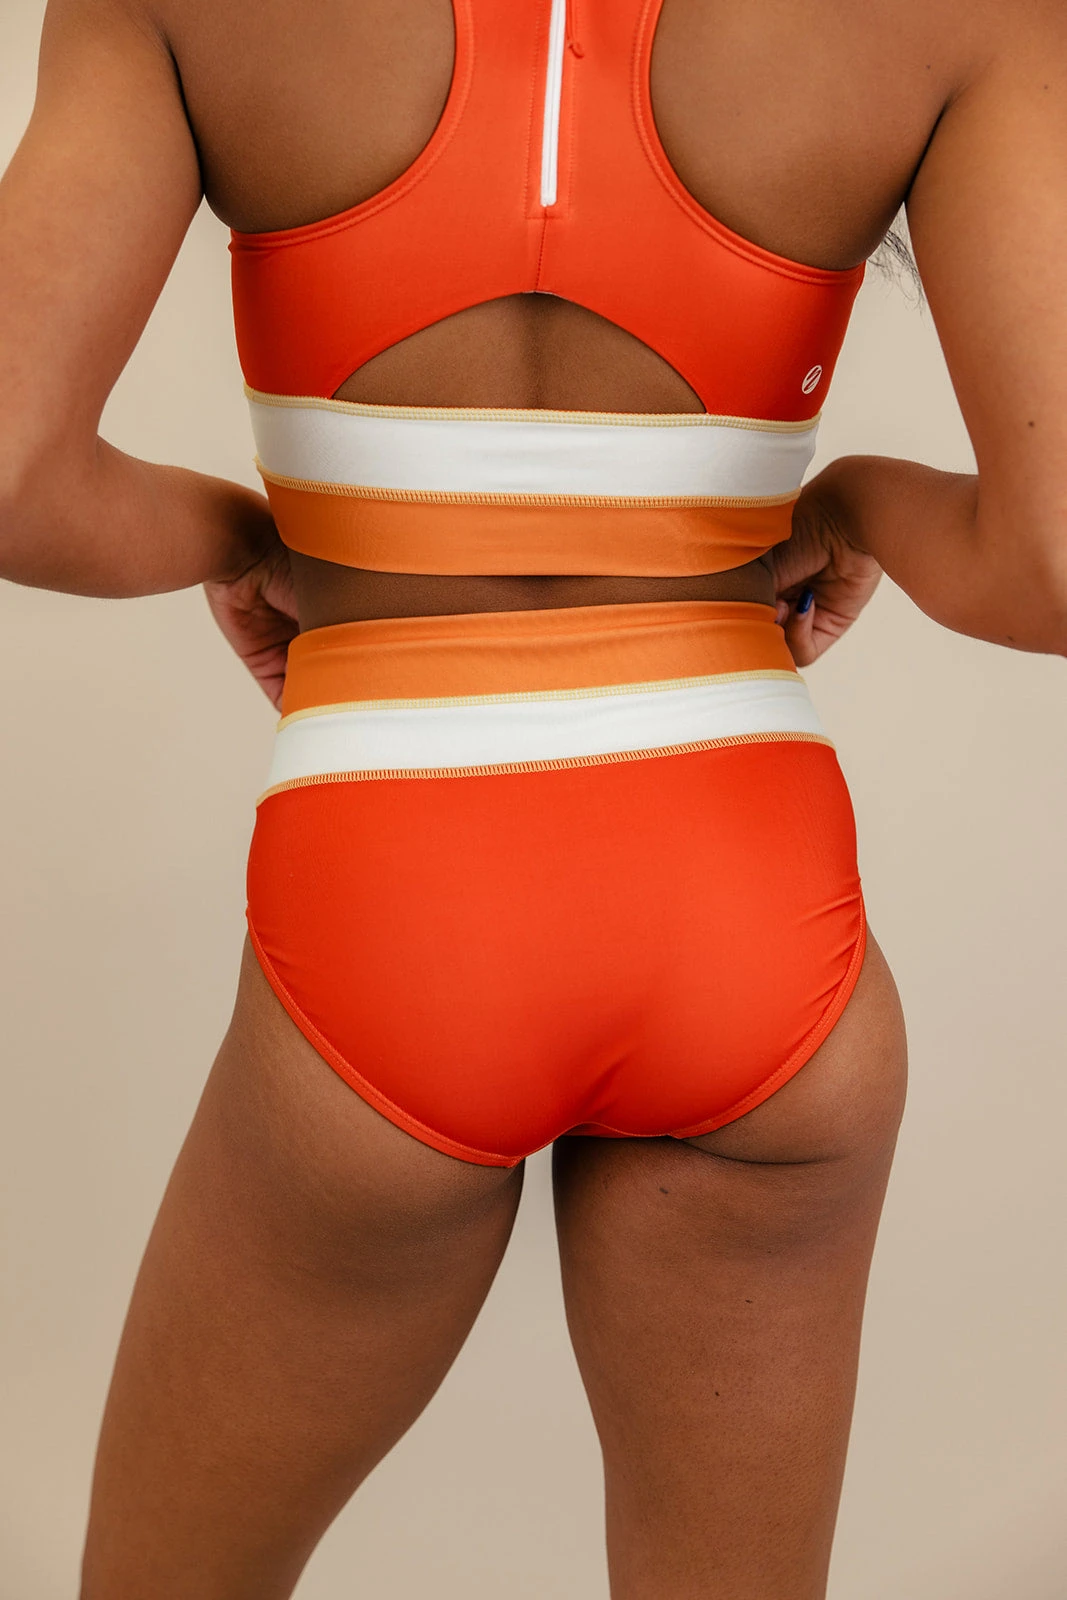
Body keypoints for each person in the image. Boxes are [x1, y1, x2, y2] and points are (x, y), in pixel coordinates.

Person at [1, 1, 1064, 1595]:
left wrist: (259, 547)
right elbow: (1052, 563)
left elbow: (12, 474)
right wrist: (855, 503)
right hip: (742, 884)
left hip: (397, 892)